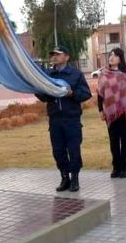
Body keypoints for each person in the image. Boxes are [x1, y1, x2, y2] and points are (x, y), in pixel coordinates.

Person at [35, 45, 91, 192]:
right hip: (55, 120)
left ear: (67, 57)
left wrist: (72, 94)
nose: (54, 57)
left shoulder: (76, 74)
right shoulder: (48, 75)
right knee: (58, 151)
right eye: (52, 54)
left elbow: (86, 94)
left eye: (58, 54)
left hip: (71, 119)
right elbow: (44, 97)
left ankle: (75, 178)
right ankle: (64, 177)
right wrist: (37, 89)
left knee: (73, 150)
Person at [97, 47, 126, 178]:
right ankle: (116, 167)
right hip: (110, 113)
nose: (111, 57)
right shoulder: (104, 74)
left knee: (125, 140)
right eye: (110, 55)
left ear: (120, 58)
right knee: (113, 140)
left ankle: (125, 168)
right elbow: (100, 94)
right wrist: (101, 110)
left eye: (115, 55)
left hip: (125, 112)